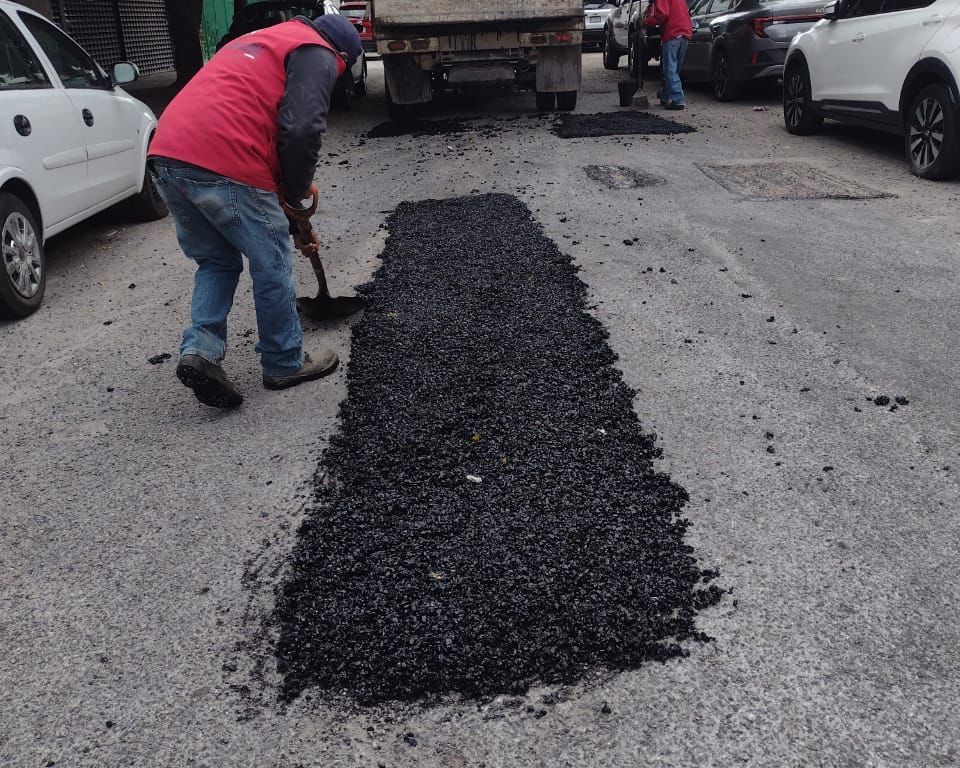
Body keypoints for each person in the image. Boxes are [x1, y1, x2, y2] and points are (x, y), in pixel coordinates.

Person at [148, 14, 362, 408]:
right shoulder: (316, 50)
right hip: (223, 155)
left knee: (216, 261)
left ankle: (201, 351)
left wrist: (293, 219)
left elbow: (263, 129)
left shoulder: (262, 40)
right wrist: (297, 192)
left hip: (167, 153)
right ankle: (284, 361)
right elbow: (301, 130)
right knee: (271, 261)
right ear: (342, 56)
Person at [644, 0, 693, 110]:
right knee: (674, 69)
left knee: (669, 69)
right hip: (684, 32)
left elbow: (663, 14)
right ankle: (666, 95)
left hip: (673, 33)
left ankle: (678, 100)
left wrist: (646, 22)